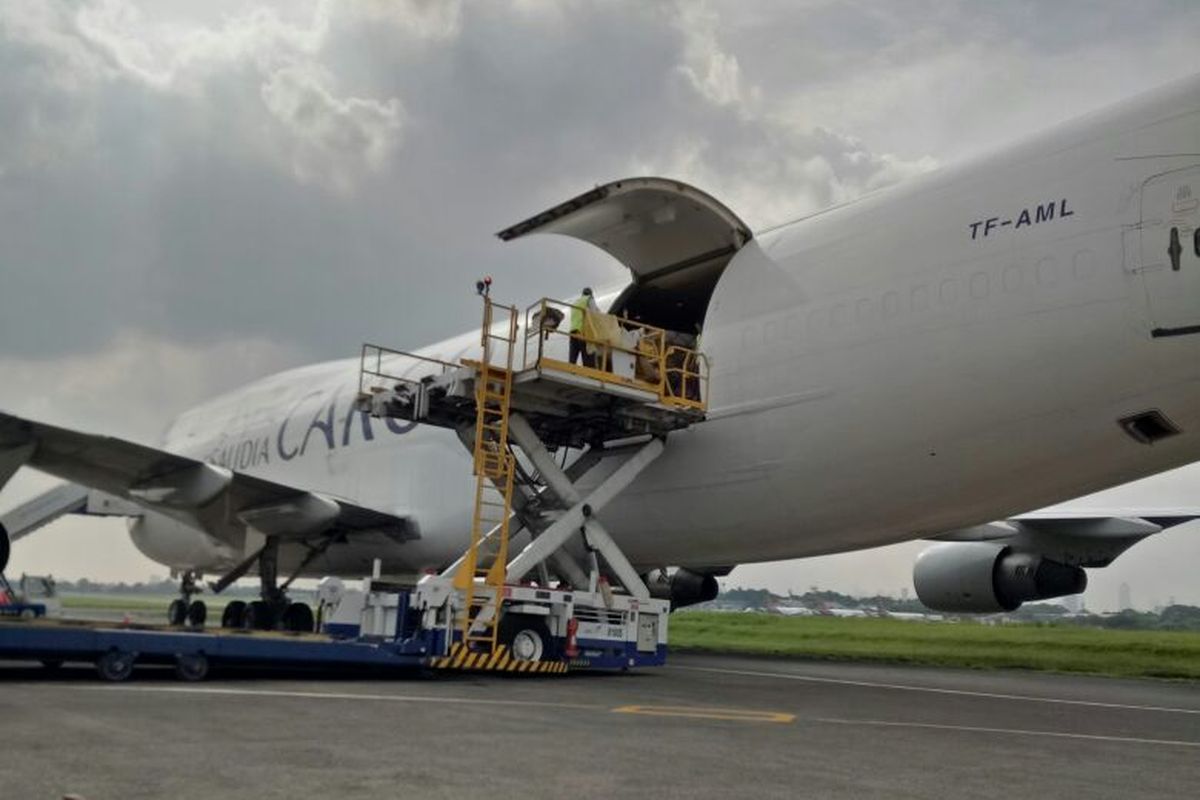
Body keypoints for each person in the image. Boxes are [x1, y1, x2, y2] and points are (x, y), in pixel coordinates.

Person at [569, 287, 597, 366]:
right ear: (591, 294)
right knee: (588, 357)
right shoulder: (589, 299)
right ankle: (589, 375)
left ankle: (570, 372)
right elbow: (594, 313)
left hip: (573, 331)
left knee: (572, 358)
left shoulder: (576, 302)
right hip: (582, 331)